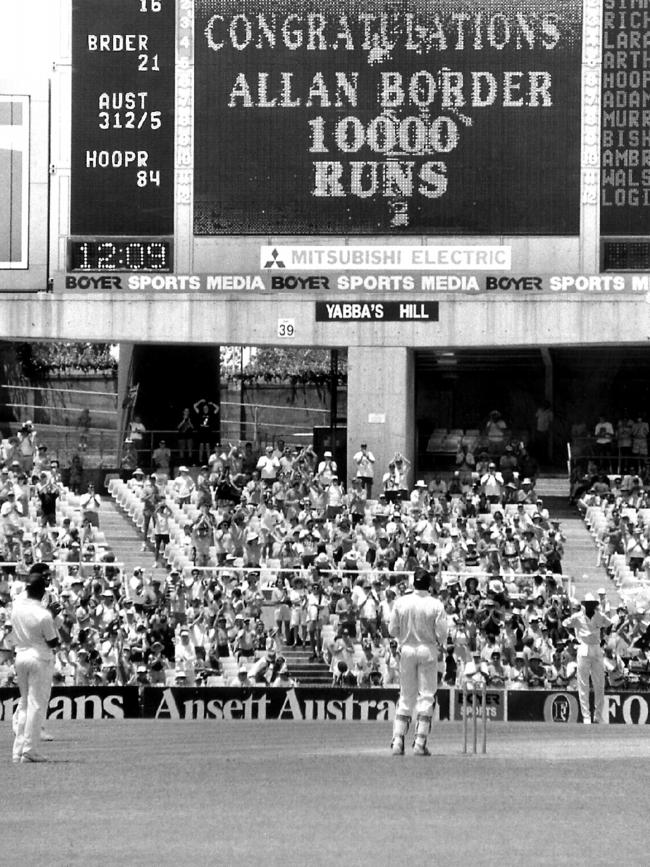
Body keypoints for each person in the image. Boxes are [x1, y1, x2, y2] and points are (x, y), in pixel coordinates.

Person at [389, 567, 448, 757]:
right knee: (426, 697)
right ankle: (420, 743)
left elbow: (392, 630)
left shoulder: (401, 602)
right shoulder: (435, 604)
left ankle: (398, 741)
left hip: (406, 649)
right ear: (429, 584)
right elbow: (442, 634)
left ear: (414, 582)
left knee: (406, 695)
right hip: (427, 650)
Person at [11, 564, 59, 763]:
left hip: (20, 656)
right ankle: (29, 750)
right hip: (39, 658)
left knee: (24, 704)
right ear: (42, 591)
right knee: (36, 705)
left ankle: (18, 750)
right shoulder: (44, 614)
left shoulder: (17, 607)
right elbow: (53, 641)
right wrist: (52, 615)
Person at [562, 591, 613, 724]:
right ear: (585, 605)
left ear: (594, 605)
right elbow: (564, 624)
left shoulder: (599, 615)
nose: (590, 606)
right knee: (583, 684)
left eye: (592, 604)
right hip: (583, 647)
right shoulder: (577, 616)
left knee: (599, 684)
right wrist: (573, 637)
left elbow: (610, 624)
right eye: (588, 604)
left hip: (596, 648)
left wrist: (604, 639)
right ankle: (586, 716)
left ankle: (598, 715)